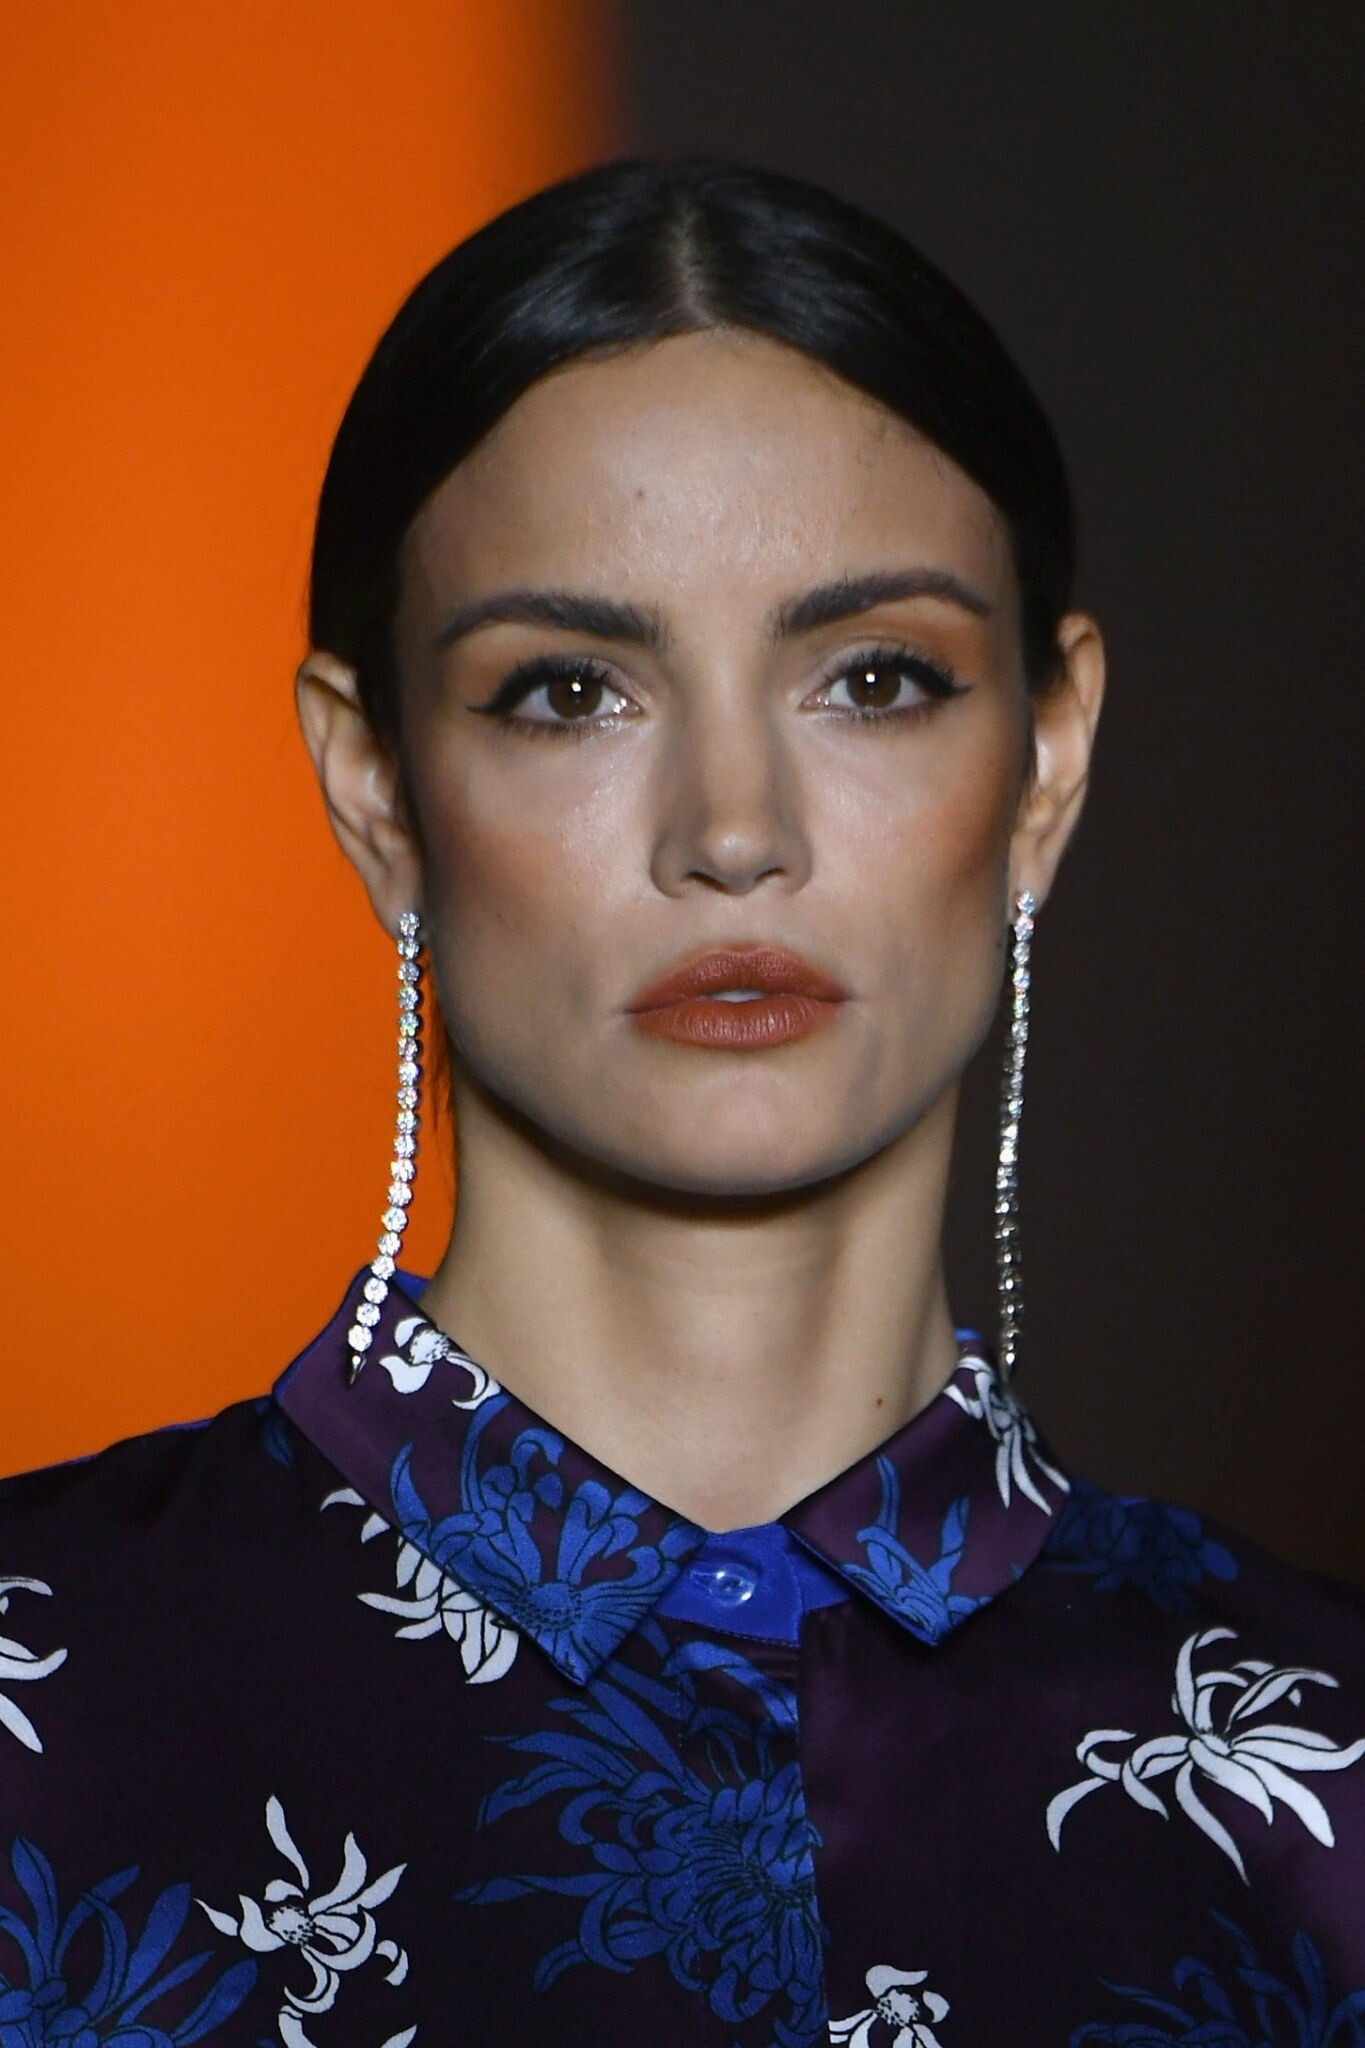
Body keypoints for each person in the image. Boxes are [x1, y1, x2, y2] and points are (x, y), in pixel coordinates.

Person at [1, 159, 1361, 2048]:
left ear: (1045, 764)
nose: (733, 830)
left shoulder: (1328, 1793)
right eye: (570, 691)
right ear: (377, 788)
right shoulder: (41, 1715)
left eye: (874, 678)